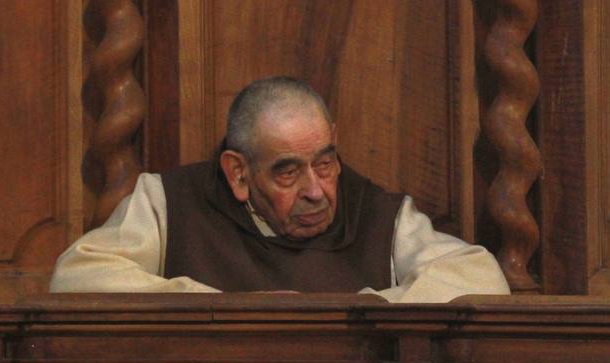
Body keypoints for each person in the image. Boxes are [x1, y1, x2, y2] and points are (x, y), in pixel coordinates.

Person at [50, 77, 510, 302]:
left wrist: (359, 310)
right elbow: (76, 278)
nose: (317, 191)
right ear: (238, 173)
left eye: (326, 163)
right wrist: (222, 309)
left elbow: (481, 278)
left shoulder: (379, 214)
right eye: (288, 172)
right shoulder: (168, 202)